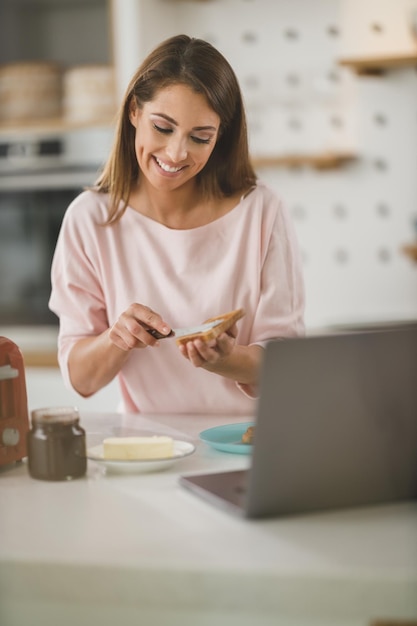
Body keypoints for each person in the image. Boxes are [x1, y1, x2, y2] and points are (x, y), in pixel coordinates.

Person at [49, 34, 305, 415]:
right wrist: (117, 338)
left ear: (221, 136)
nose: (176, 153)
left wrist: (225, 359)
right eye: (163, 128)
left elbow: (286, 366)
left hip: (246, 444)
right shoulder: (90, 219)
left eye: (200, 137)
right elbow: (81, 380)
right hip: (146, 448)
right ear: (135, 111)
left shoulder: (261, 211)